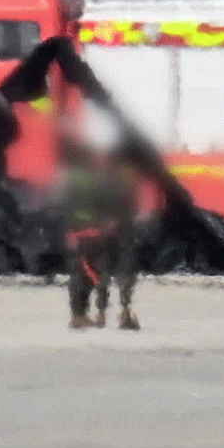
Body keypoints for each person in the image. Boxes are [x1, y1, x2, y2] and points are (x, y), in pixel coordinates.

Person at [62, 139, 141, 330]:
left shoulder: (95, 177)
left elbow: (94, 204)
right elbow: (130, 205)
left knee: (92, 271)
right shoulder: (111, 177)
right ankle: (120, 313)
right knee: (117, 272)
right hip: (107, 230)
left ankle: (92, 314)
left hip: (95, 231)